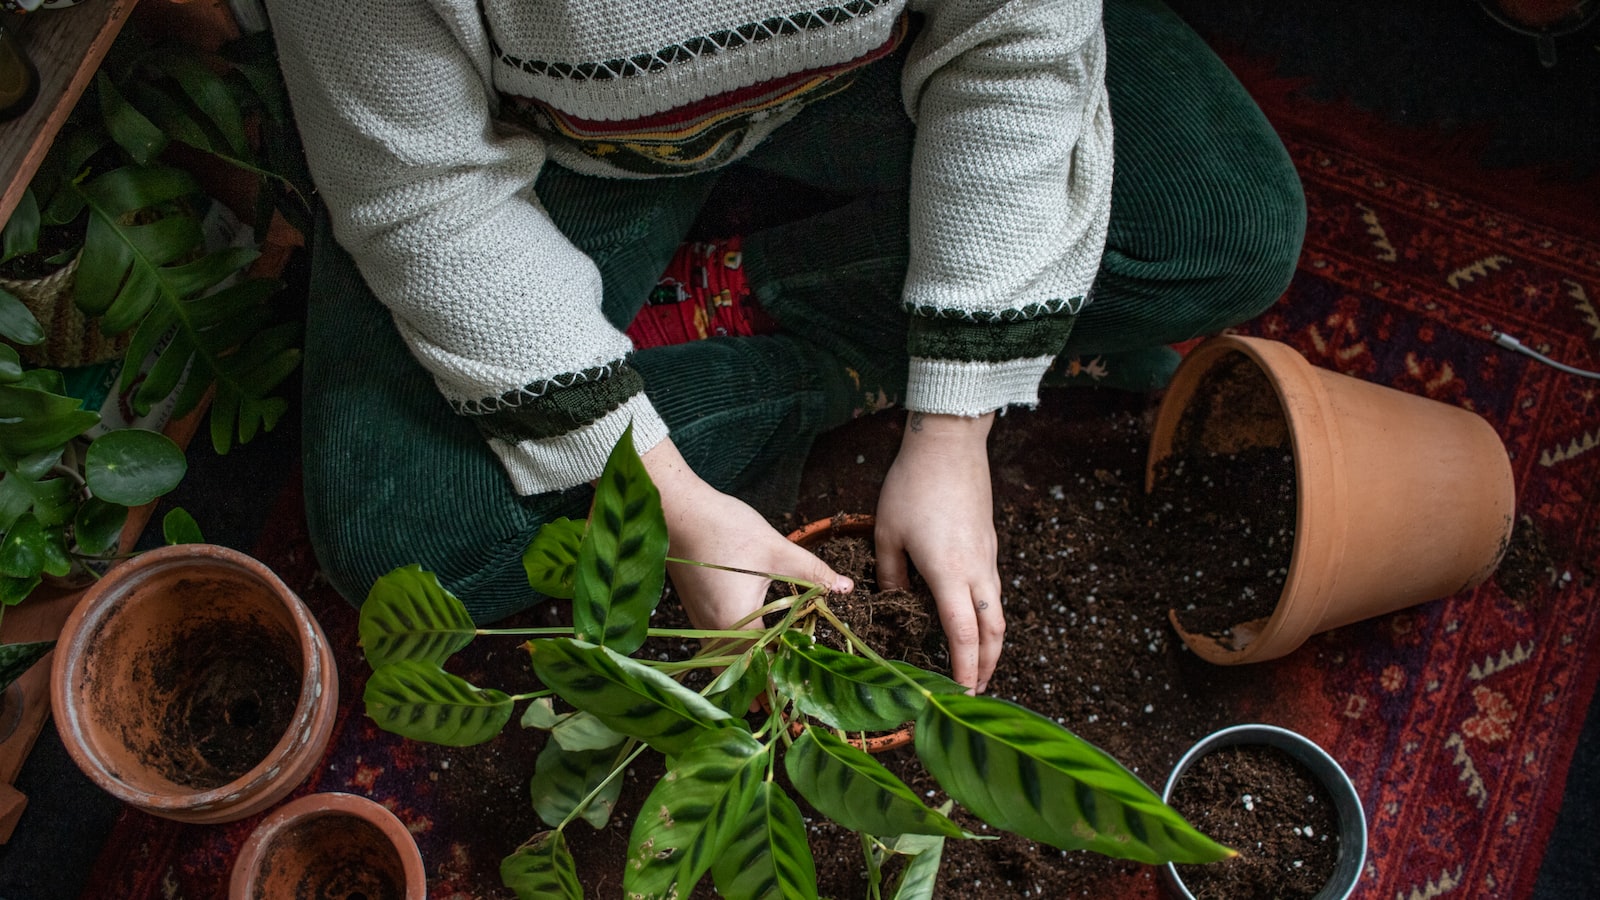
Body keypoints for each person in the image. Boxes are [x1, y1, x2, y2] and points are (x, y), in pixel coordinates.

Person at [264, 0, 1304, 694]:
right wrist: (667, 500)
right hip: (552, 142)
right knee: (404, 537)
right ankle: (823, 329)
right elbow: (418, 190)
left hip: (860, 78)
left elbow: (1016, 40)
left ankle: (739, 300)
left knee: (1225, 229)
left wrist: (954, 426)